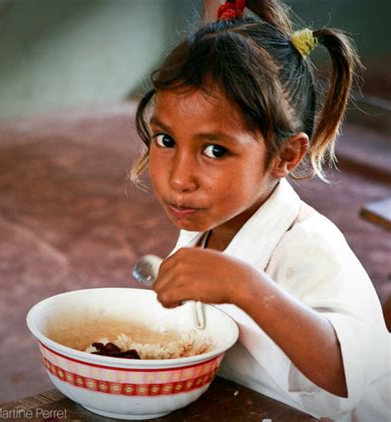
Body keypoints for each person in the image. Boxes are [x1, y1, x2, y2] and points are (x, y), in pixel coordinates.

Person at [130, 0, 390, 420]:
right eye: (165, 141)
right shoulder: (210, 218)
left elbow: (347, 375)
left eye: (215, 150)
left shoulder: (311, 248)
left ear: (286, 156)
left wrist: (245, 286)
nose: (179, 178)